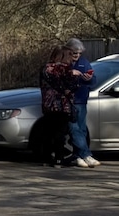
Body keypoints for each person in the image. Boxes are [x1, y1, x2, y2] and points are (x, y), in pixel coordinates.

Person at [35, 45, 78, 166]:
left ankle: (46, 158)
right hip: (62, 105)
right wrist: (75, 77)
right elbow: (71, 87)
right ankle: (59, 158)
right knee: (60, 133)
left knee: (48, 132)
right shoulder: (66, 69)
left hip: (48, 104)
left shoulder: (45, 69)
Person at [66, 38, 99, 167]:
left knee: (81, 129)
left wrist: (88, 78)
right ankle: (86, 154)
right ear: (69, 51)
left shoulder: (84, 62)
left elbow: (93, 81)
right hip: (69, 100)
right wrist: (70, 74)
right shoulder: (64, 63)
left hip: (81, 99)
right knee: (74, 128)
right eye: (75, 53)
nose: (77, 56)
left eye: (79, 53)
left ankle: (78, 155)